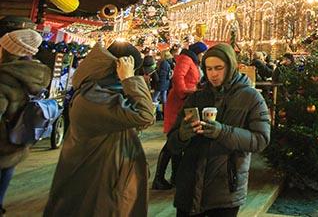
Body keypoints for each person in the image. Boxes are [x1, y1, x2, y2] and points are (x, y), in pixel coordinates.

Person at [44, 42, 154, 216]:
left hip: (104, 174)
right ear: (119, 67)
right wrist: (129, 79)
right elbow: (145, 115)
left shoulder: (100, 89)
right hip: (97, 180)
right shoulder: (94, 96)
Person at [168, 43, 270, 217]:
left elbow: (260, 140)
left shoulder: (251, 97)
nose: (213, 74)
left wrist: (222, 132)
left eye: (218, 68)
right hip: (190, 186)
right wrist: (182, 135)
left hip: (225, 188)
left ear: (230, 66)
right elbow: (172, 143)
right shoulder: (197, 96)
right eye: (208, 69)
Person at [0, 25, 51, 214]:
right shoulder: (38, 73)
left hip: (2, 133)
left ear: (12, 50)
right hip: (20, 132)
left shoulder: (5, 76)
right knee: (7, 169)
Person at [153, 41, 207, 190]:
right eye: (203, 53)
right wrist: (184, 93)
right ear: (199, 52)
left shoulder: (192, 61)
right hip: (179, 102)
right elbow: (178, 78)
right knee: (173, 139)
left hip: (185, 101)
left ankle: (175, 177)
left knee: (180, 139)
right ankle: (159, 178)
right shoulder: (186, 59)